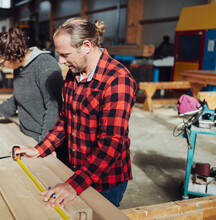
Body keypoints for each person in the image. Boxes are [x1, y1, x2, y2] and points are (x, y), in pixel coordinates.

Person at [17, 18, 137, 208]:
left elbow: (110, 144)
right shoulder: (74, 74)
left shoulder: (118, 80)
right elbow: (65, 120)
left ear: (86, 46)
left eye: (65, 54)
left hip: (105, 181)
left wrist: (73, 185)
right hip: (77, 170)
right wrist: (39, 149)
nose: (61, 61)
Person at [0, 27, 68, 162]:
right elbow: (20, 97)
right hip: (27, 136)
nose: (1, 66)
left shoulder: (45, 65)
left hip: (44, 140)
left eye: (1, 63)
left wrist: (44, 146)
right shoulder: (19, 66)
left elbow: (54, 109)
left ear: (12, 57)